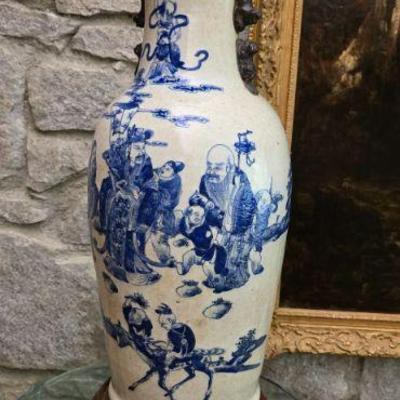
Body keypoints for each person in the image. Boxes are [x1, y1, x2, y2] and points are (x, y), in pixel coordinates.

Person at [199, 145, 256, 290]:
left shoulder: (241, 185)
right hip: (219, 227)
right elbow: (204, 205)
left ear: (229, 167)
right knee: (219, 255)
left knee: (235, 258)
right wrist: (216, 219)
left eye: (217, 167)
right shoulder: (205, 181)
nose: (211, 171)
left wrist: (234, 229)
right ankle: (218, 279)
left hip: (238, 229)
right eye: (209, 166)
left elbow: (247, 210)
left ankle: (235, 282)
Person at [155, 303, 196, 369]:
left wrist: (172, 354)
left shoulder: (180, 331)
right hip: (176, 349)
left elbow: (183, 352)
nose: (162, 326)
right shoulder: (170, 332)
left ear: (170, 321)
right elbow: (169, 344)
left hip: (183, 351)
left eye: (163, 324)